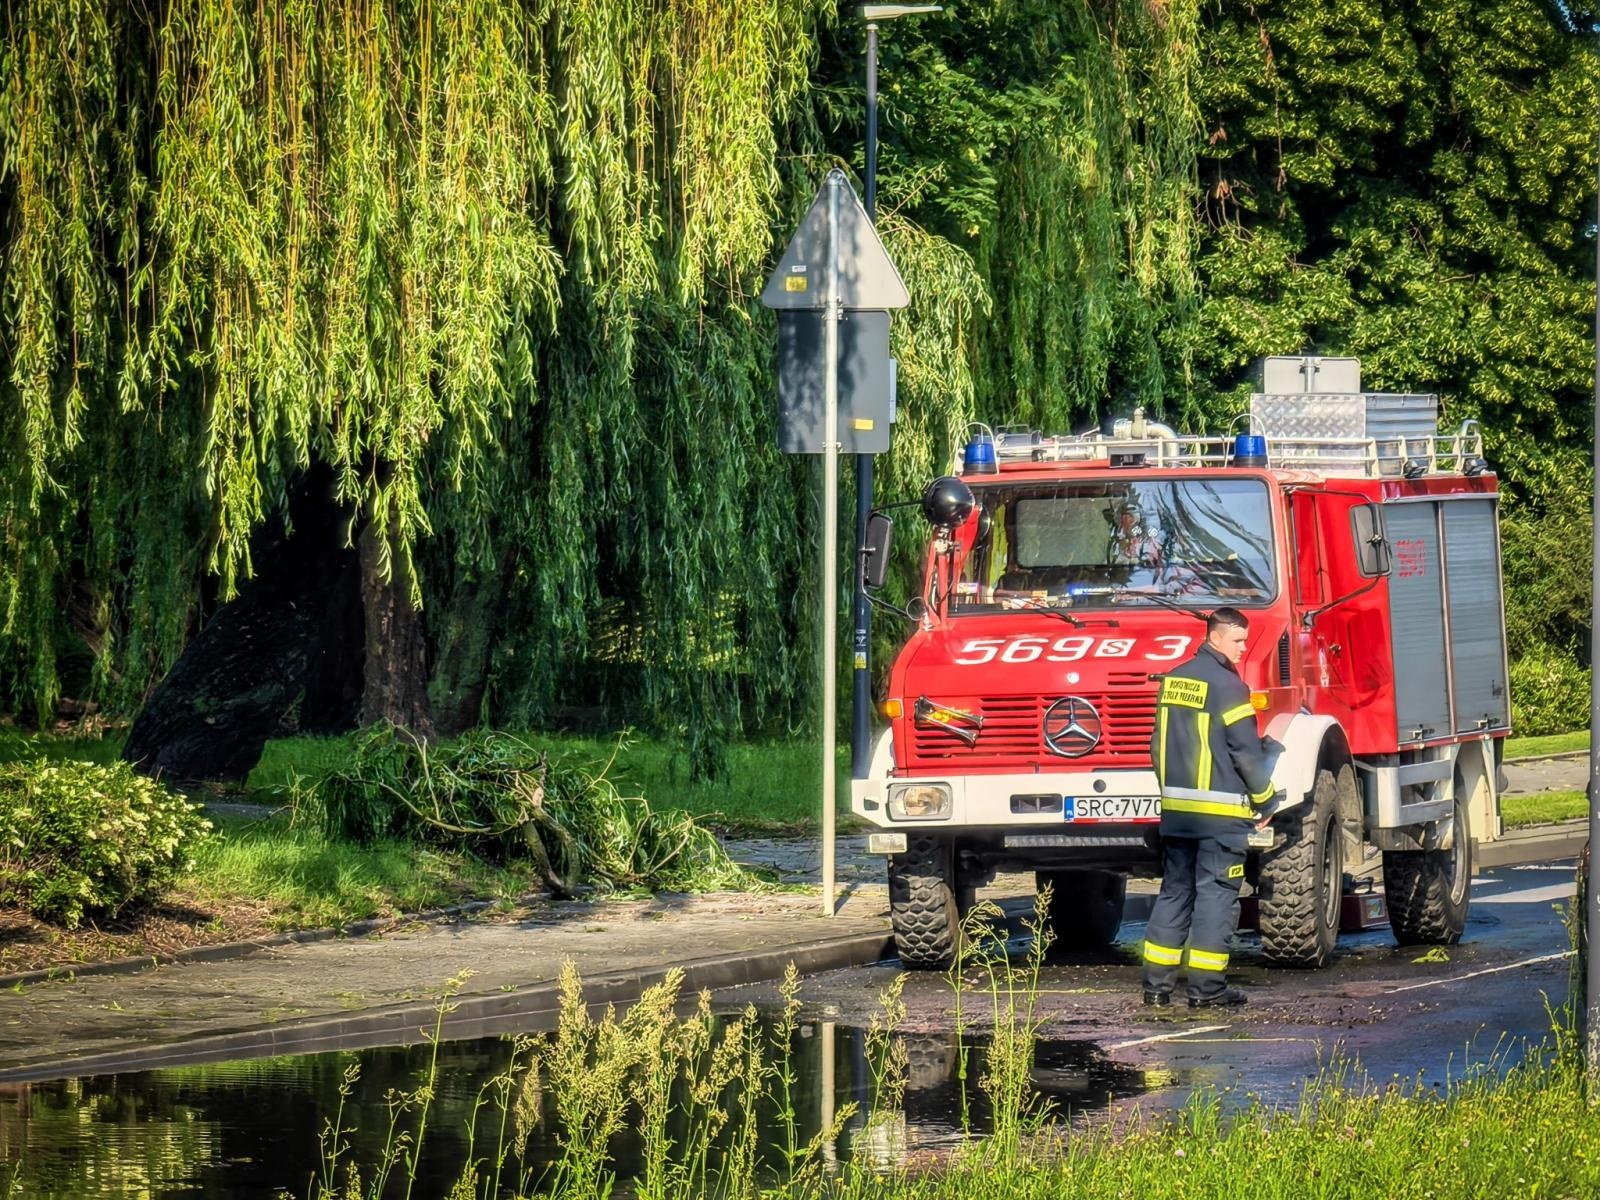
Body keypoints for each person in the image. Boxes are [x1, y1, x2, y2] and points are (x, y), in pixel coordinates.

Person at [1141, 606, 1277, 1008]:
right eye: (1237, 641)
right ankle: (1206, 991)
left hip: (1178, 814)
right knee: (1217, 897)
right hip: (1221, 818)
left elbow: (1156, 746)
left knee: (1174, 894)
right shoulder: (1229, 686)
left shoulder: (1174, 680)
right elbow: (1246, 752)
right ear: (1215, 637)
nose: (1242, 649)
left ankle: (1156, 988)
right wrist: (1265, 798)